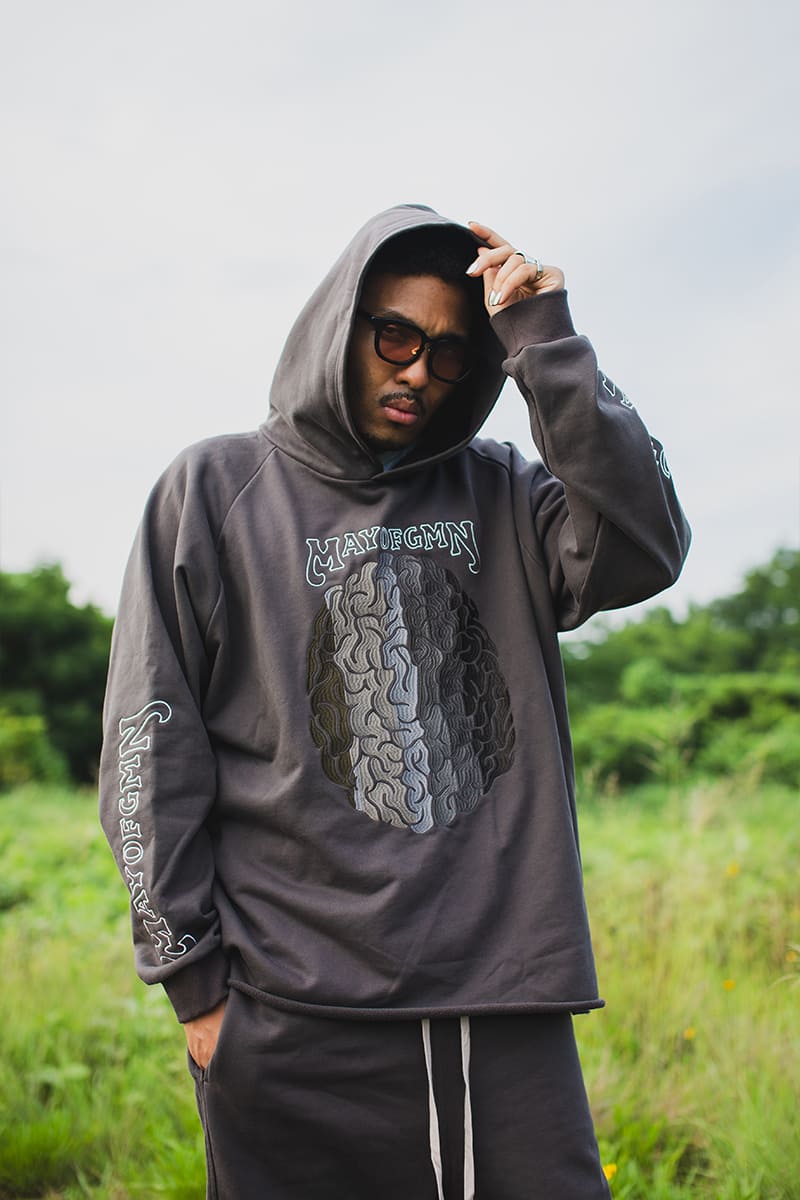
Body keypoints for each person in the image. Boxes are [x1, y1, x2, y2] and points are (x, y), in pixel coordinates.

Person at [99, 203, 690, 1199]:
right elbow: (148, 747)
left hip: (499, 998)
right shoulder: (213, 491)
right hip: (287, 1006)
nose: (419, 371)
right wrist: (194, 985)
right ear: (342, 323)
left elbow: (645, 543)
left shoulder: (504, 492)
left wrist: (544, 340)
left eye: (451, 353)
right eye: (395, 336)